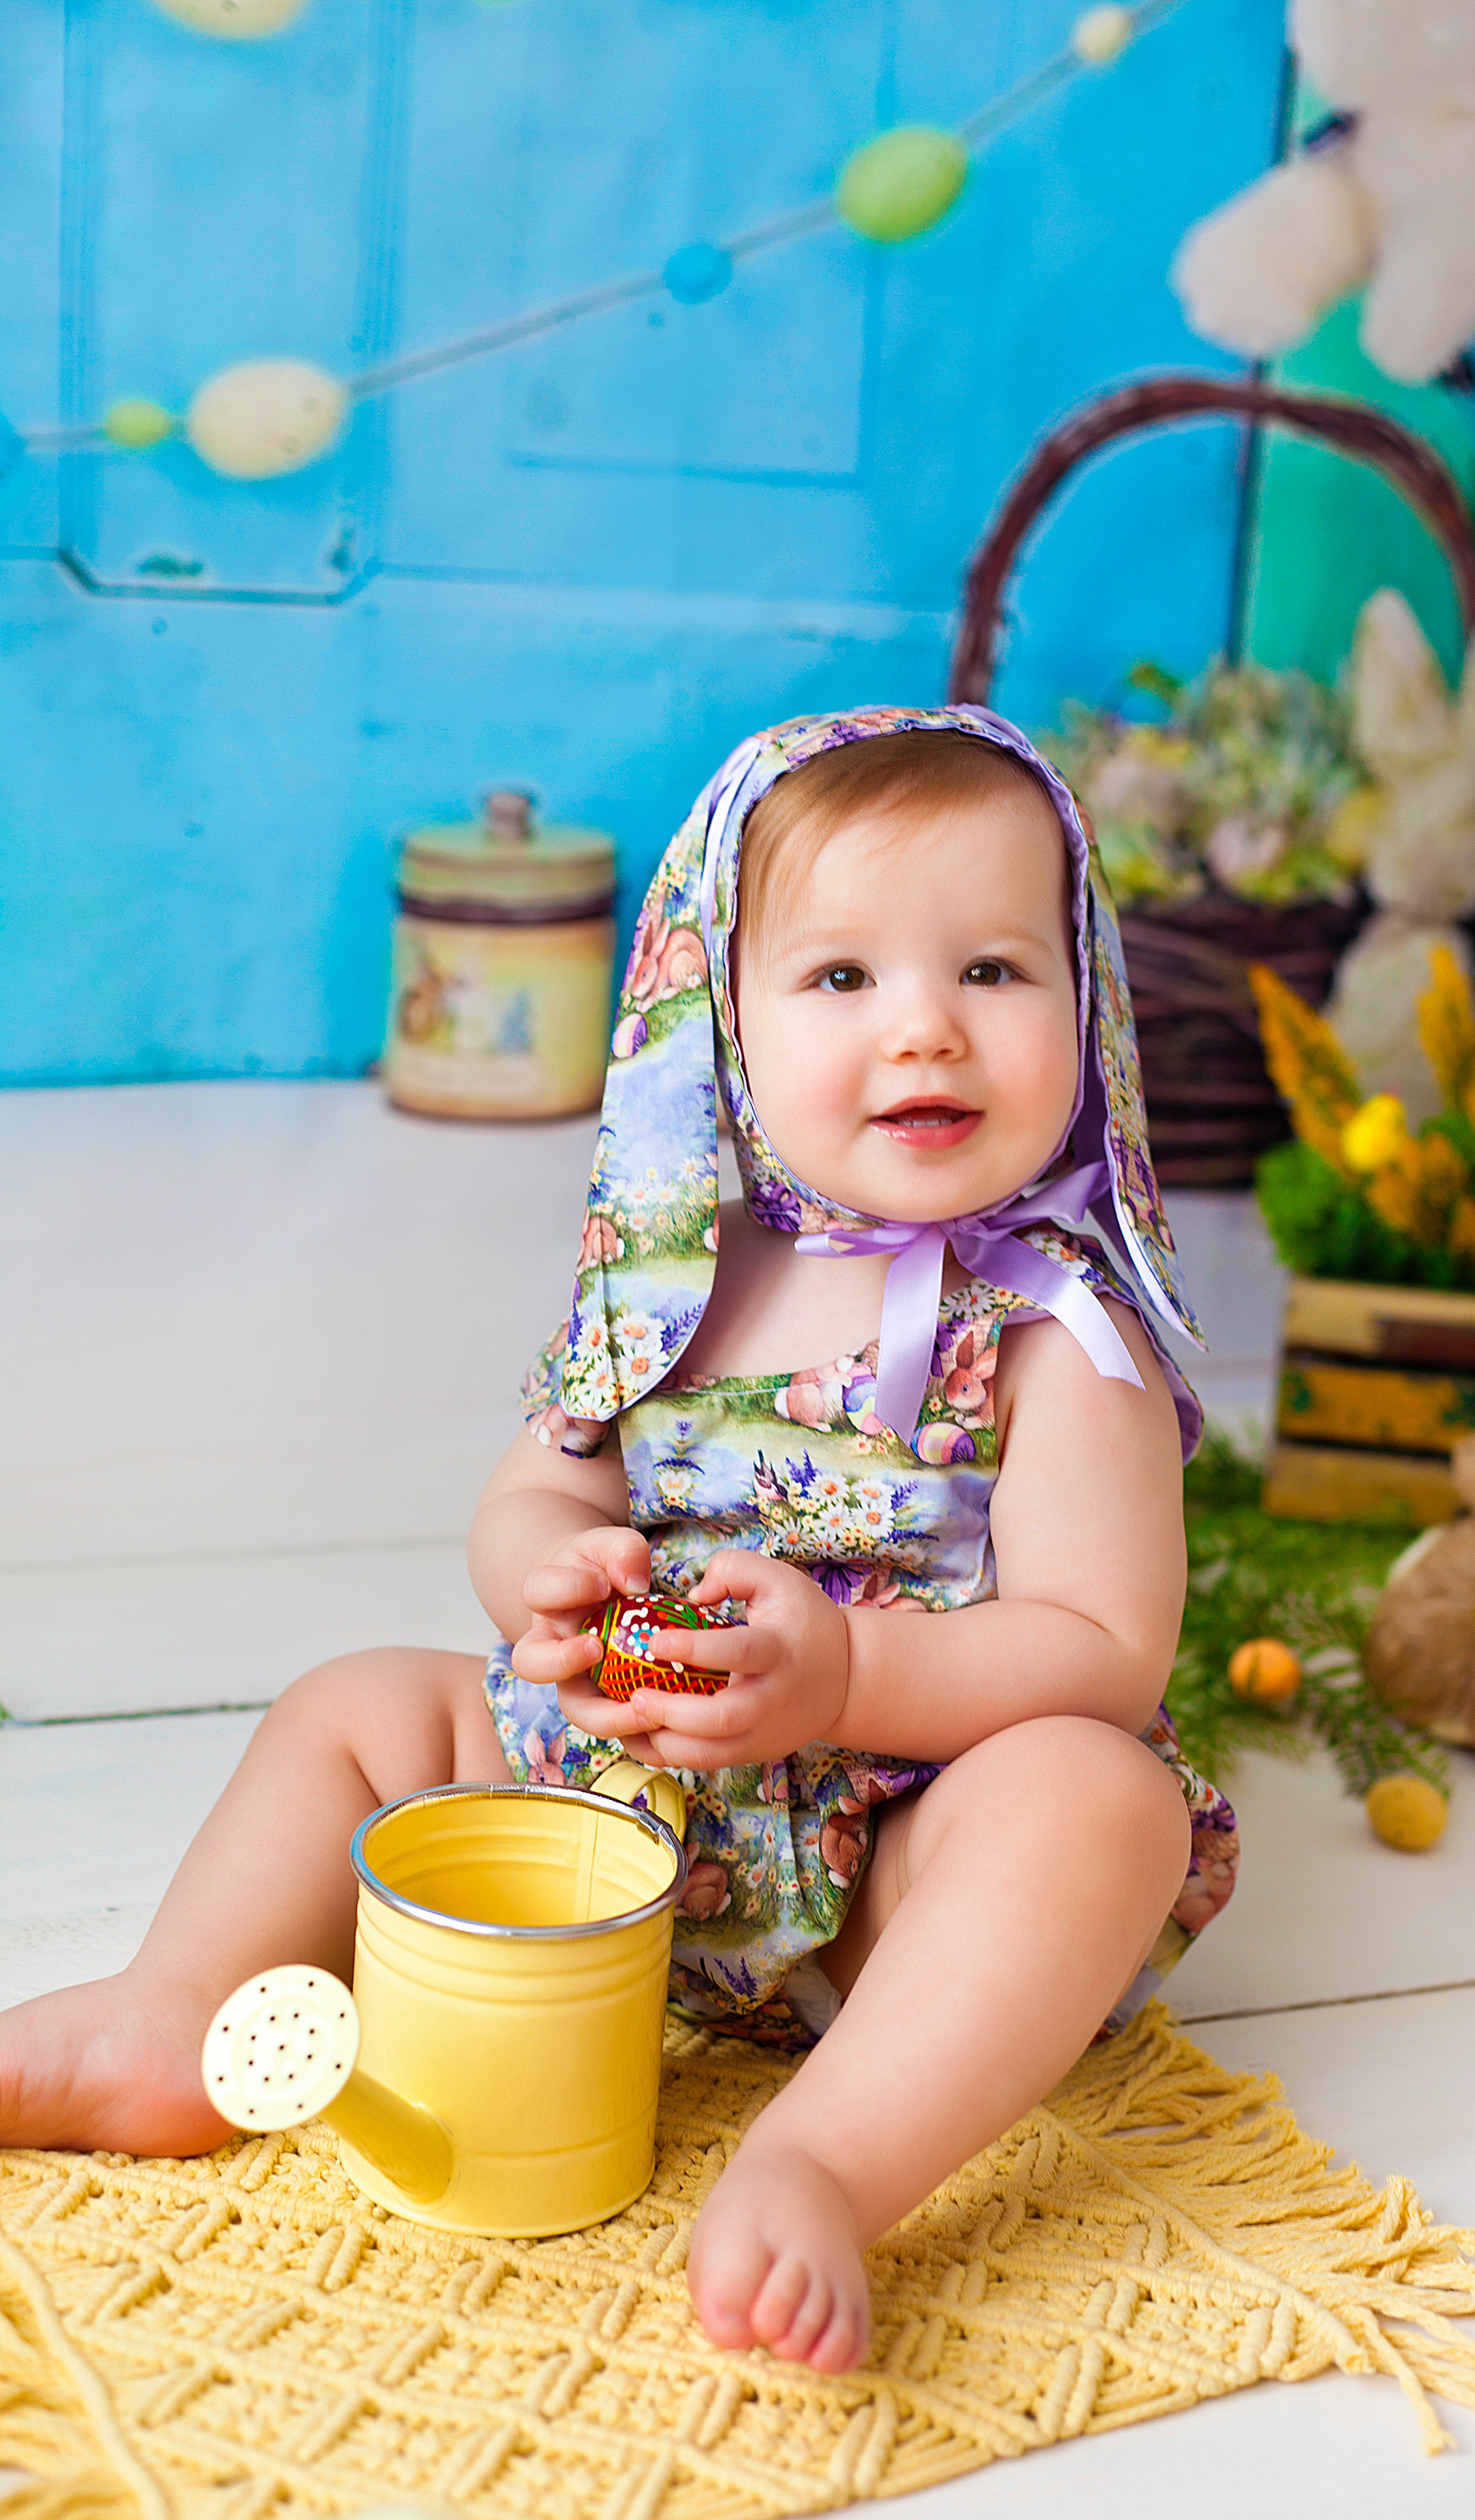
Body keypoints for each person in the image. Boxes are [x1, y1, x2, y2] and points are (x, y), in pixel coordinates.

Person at [0, 705, 1238, 2374]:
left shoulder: (1054, 1336)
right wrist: (549, 1583)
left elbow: (1101, 1653)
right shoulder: (678, 1273)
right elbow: (539, 1494)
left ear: (1084, 1004)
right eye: (844, 978)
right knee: (357, 1704)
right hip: (619, 1801)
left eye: (995, 973)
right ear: (719, 1017)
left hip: (890, 1861)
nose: (928, 1032)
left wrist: (847, 1670)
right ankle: (176, 2014)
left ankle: (824, 2158)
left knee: (1101, 1801)